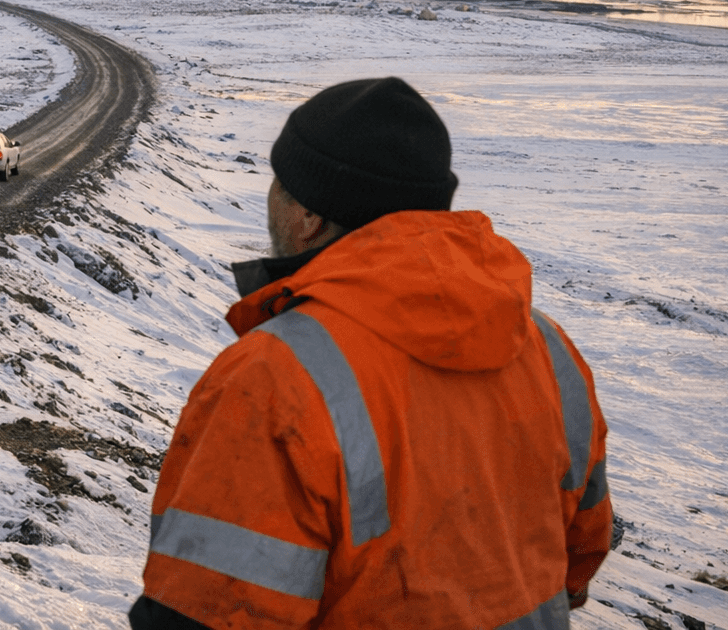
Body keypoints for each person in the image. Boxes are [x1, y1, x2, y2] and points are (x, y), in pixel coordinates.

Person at [131, 77, 612, 630]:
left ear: (308, 215)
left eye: (277, 183)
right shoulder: (545, 346)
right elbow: (581, 549)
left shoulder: (274, 378)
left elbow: (206, 611)